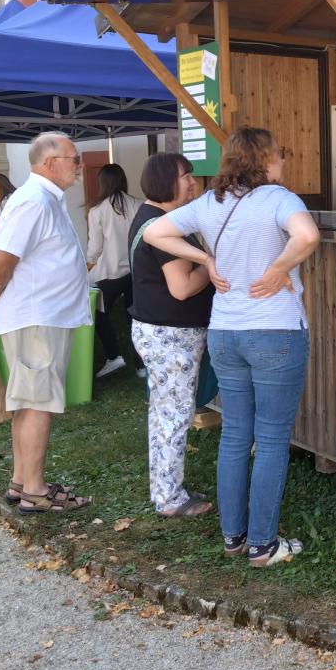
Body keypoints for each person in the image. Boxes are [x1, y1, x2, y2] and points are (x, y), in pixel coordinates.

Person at [143, 126, 320, 567]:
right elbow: (308, 236)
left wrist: (206, 258)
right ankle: (263, 544)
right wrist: (281, 267)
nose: (282, 162)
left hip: (225, 333)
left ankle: (234, 536)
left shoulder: (208, 203)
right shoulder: (280, 199)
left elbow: (153, 233)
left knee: (236, 435)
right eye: (278, 154)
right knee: (273, 438)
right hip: (276, 331)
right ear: (264, 160)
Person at [0, 132, 91, 514]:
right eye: (74, 158)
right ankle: (35, 490)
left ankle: (22, 482)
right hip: (37, 317)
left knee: (29, 401)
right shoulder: (35, 201)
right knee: (37, 402)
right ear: (48, 162)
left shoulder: (40, 199)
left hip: (41, 316)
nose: (80, 165)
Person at [128, 153, 214, 519]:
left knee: (164, 412)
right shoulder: (163, 225)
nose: (193, 182)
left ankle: (164, 488)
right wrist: (214, 264)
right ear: (166, 180)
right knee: (173, 415)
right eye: (186, 176)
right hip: (170, 335)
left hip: (155, 331)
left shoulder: (149, 218)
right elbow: (182, 287)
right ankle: (170, 498)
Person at [86, 163, 142, 379]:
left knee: (98, 315)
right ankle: (141, 367)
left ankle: (114, 356)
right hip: (137, 272)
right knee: (135, 320)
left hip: (109, 273)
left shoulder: (97, 211)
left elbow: (94, 249)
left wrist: (87, 265)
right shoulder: (138, 204)